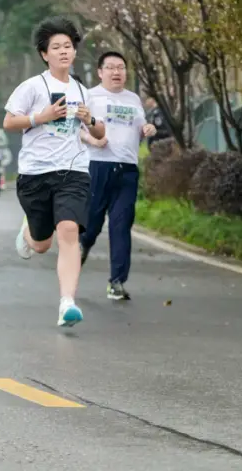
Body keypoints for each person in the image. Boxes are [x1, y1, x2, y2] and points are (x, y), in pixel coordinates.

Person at [4, 16, 107, 327]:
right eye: (57, 47)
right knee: (41, 244)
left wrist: (90, 121)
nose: (64, 51)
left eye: (68, 46)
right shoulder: (32, 86)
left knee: (69, 231)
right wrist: (42, 116)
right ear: (44, 54)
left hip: (73, 170)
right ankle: (29, 230)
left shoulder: (82, 90)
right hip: (35, 173)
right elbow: (10, 122)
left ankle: (67, 303)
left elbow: (101, 134)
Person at [79, 51, 156, 301]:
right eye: (110, 67)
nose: (116, 72)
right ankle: (83, 245)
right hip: (97, 166)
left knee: (121, 225)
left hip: (127, 169)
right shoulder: (89, 96)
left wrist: (147, 129)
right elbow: (76, 131)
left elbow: (141, 128)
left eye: (121, 67)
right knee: (92, 223)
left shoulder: (133, 99)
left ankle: (117, 282)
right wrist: (92, 139)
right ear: (100, 72)